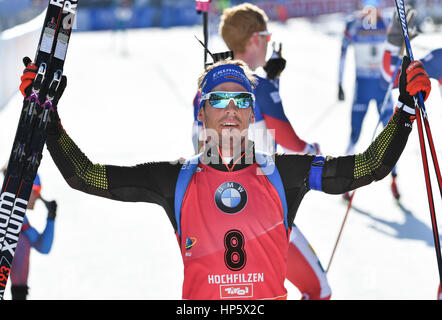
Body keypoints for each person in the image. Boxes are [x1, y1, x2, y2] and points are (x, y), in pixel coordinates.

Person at [19, 47, 430, 300]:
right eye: (219, 99)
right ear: (203, 112)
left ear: (252, 113)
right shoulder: (176, 180)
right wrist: (48, 116)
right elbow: (85, 176)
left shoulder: (284, 174)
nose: (230, 108)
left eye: (240, 99)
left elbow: (366, 167)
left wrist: (405, 112)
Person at [195, 2, 330, 300]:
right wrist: (313, 149)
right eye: (267, 36)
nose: (270, 42)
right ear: (255, 38)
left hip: (214, 212)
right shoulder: (260, 87)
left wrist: (272, 80)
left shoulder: (208, 85)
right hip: (261, 214)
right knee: (318, 290)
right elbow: (290, 142)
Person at [338, 0, 401, 199]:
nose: (373, 10)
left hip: (381, 87)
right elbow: (342, 53)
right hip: (365, 86)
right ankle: (347, 183)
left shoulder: (387, 23)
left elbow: (398, 54)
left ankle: (394, 179)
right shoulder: (354, 24)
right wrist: (338, 84)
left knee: (392, 134)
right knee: (354, 134)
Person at [0, 171, 57, 300]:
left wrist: (51, 218)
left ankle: (19, 294)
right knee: (21, 241)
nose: (38, 196)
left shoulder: (21, 220)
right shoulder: (7, 210)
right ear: (25, 190)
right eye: (36, 190)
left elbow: (43, 247)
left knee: (22, 241)